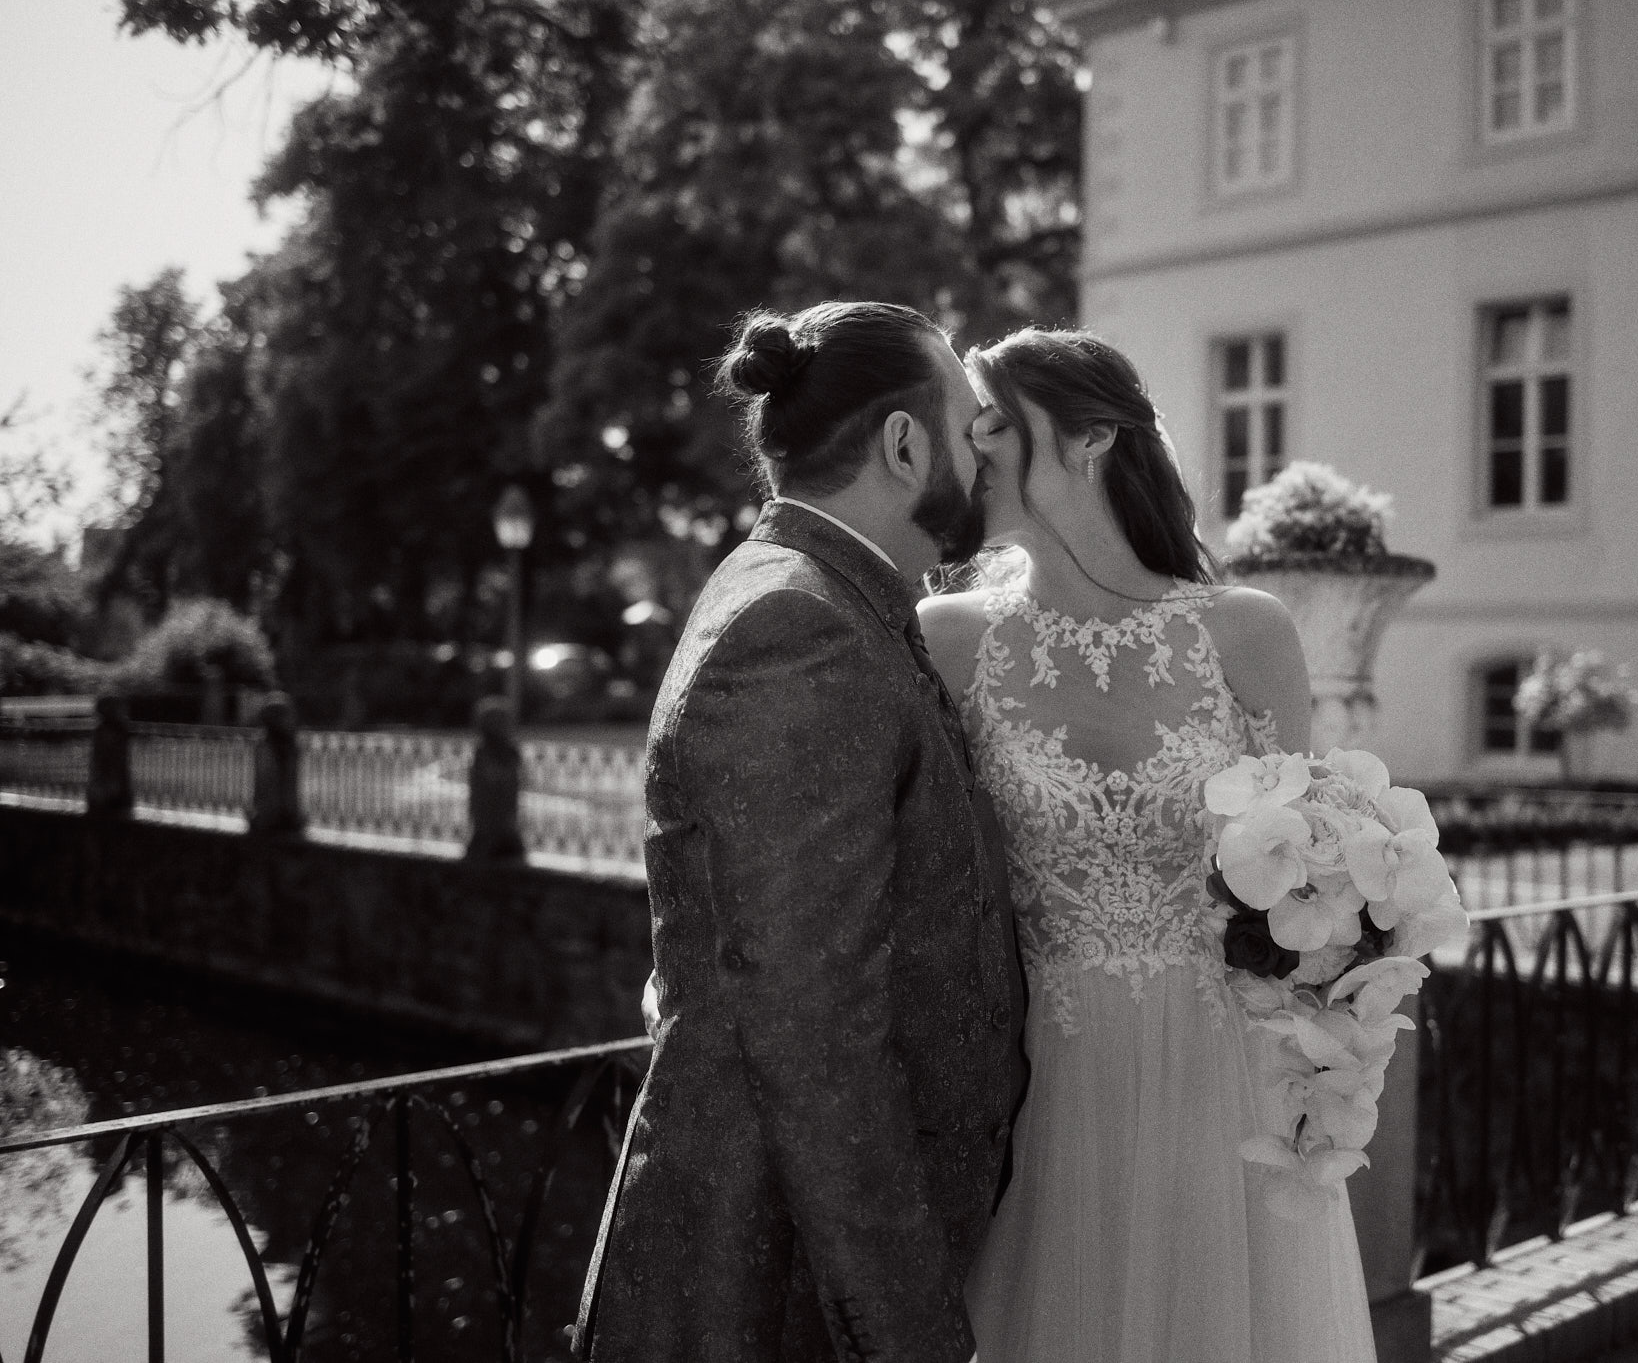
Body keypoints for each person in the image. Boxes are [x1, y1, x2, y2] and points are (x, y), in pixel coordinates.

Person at [575, 301, 1027, 1363]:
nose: (987, 457)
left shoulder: (830, 596)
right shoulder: (800, 628)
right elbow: (813, 1035)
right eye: (970, 428)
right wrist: (911, 1331)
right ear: (903, 444)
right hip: (777, 1285)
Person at [917, 328, 1378, 1363]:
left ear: (1088, 440)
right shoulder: (949, 639)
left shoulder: (1245, 632)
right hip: (1043, 1085)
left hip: (1225, 1089)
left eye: (993, 425)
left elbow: (1303, 889)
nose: (969, 448)